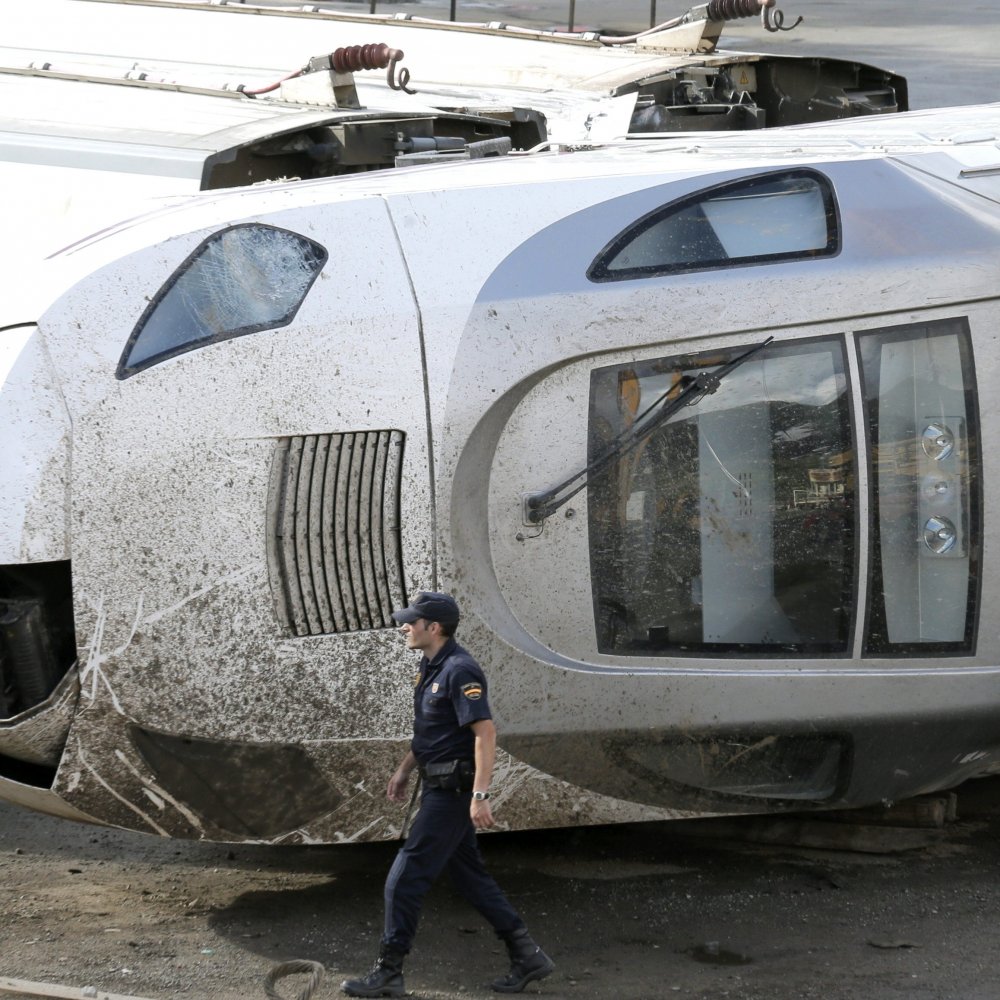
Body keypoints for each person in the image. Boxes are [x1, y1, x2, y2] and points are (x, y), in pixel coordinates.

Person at [341, 591, 554, 998]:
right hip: (436, 784)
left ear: (432, 628)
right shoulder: (430, 666)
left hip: (453, 794)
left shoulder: (459, 670)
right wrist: (405, 769)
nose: (404, 626)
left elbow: (484, 732)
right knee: (471, 878)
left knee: (404, 879)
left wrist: (479, 794)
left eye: (411, 621)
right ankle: (528, 956)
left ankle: (388, 972)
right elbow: (431, 730)